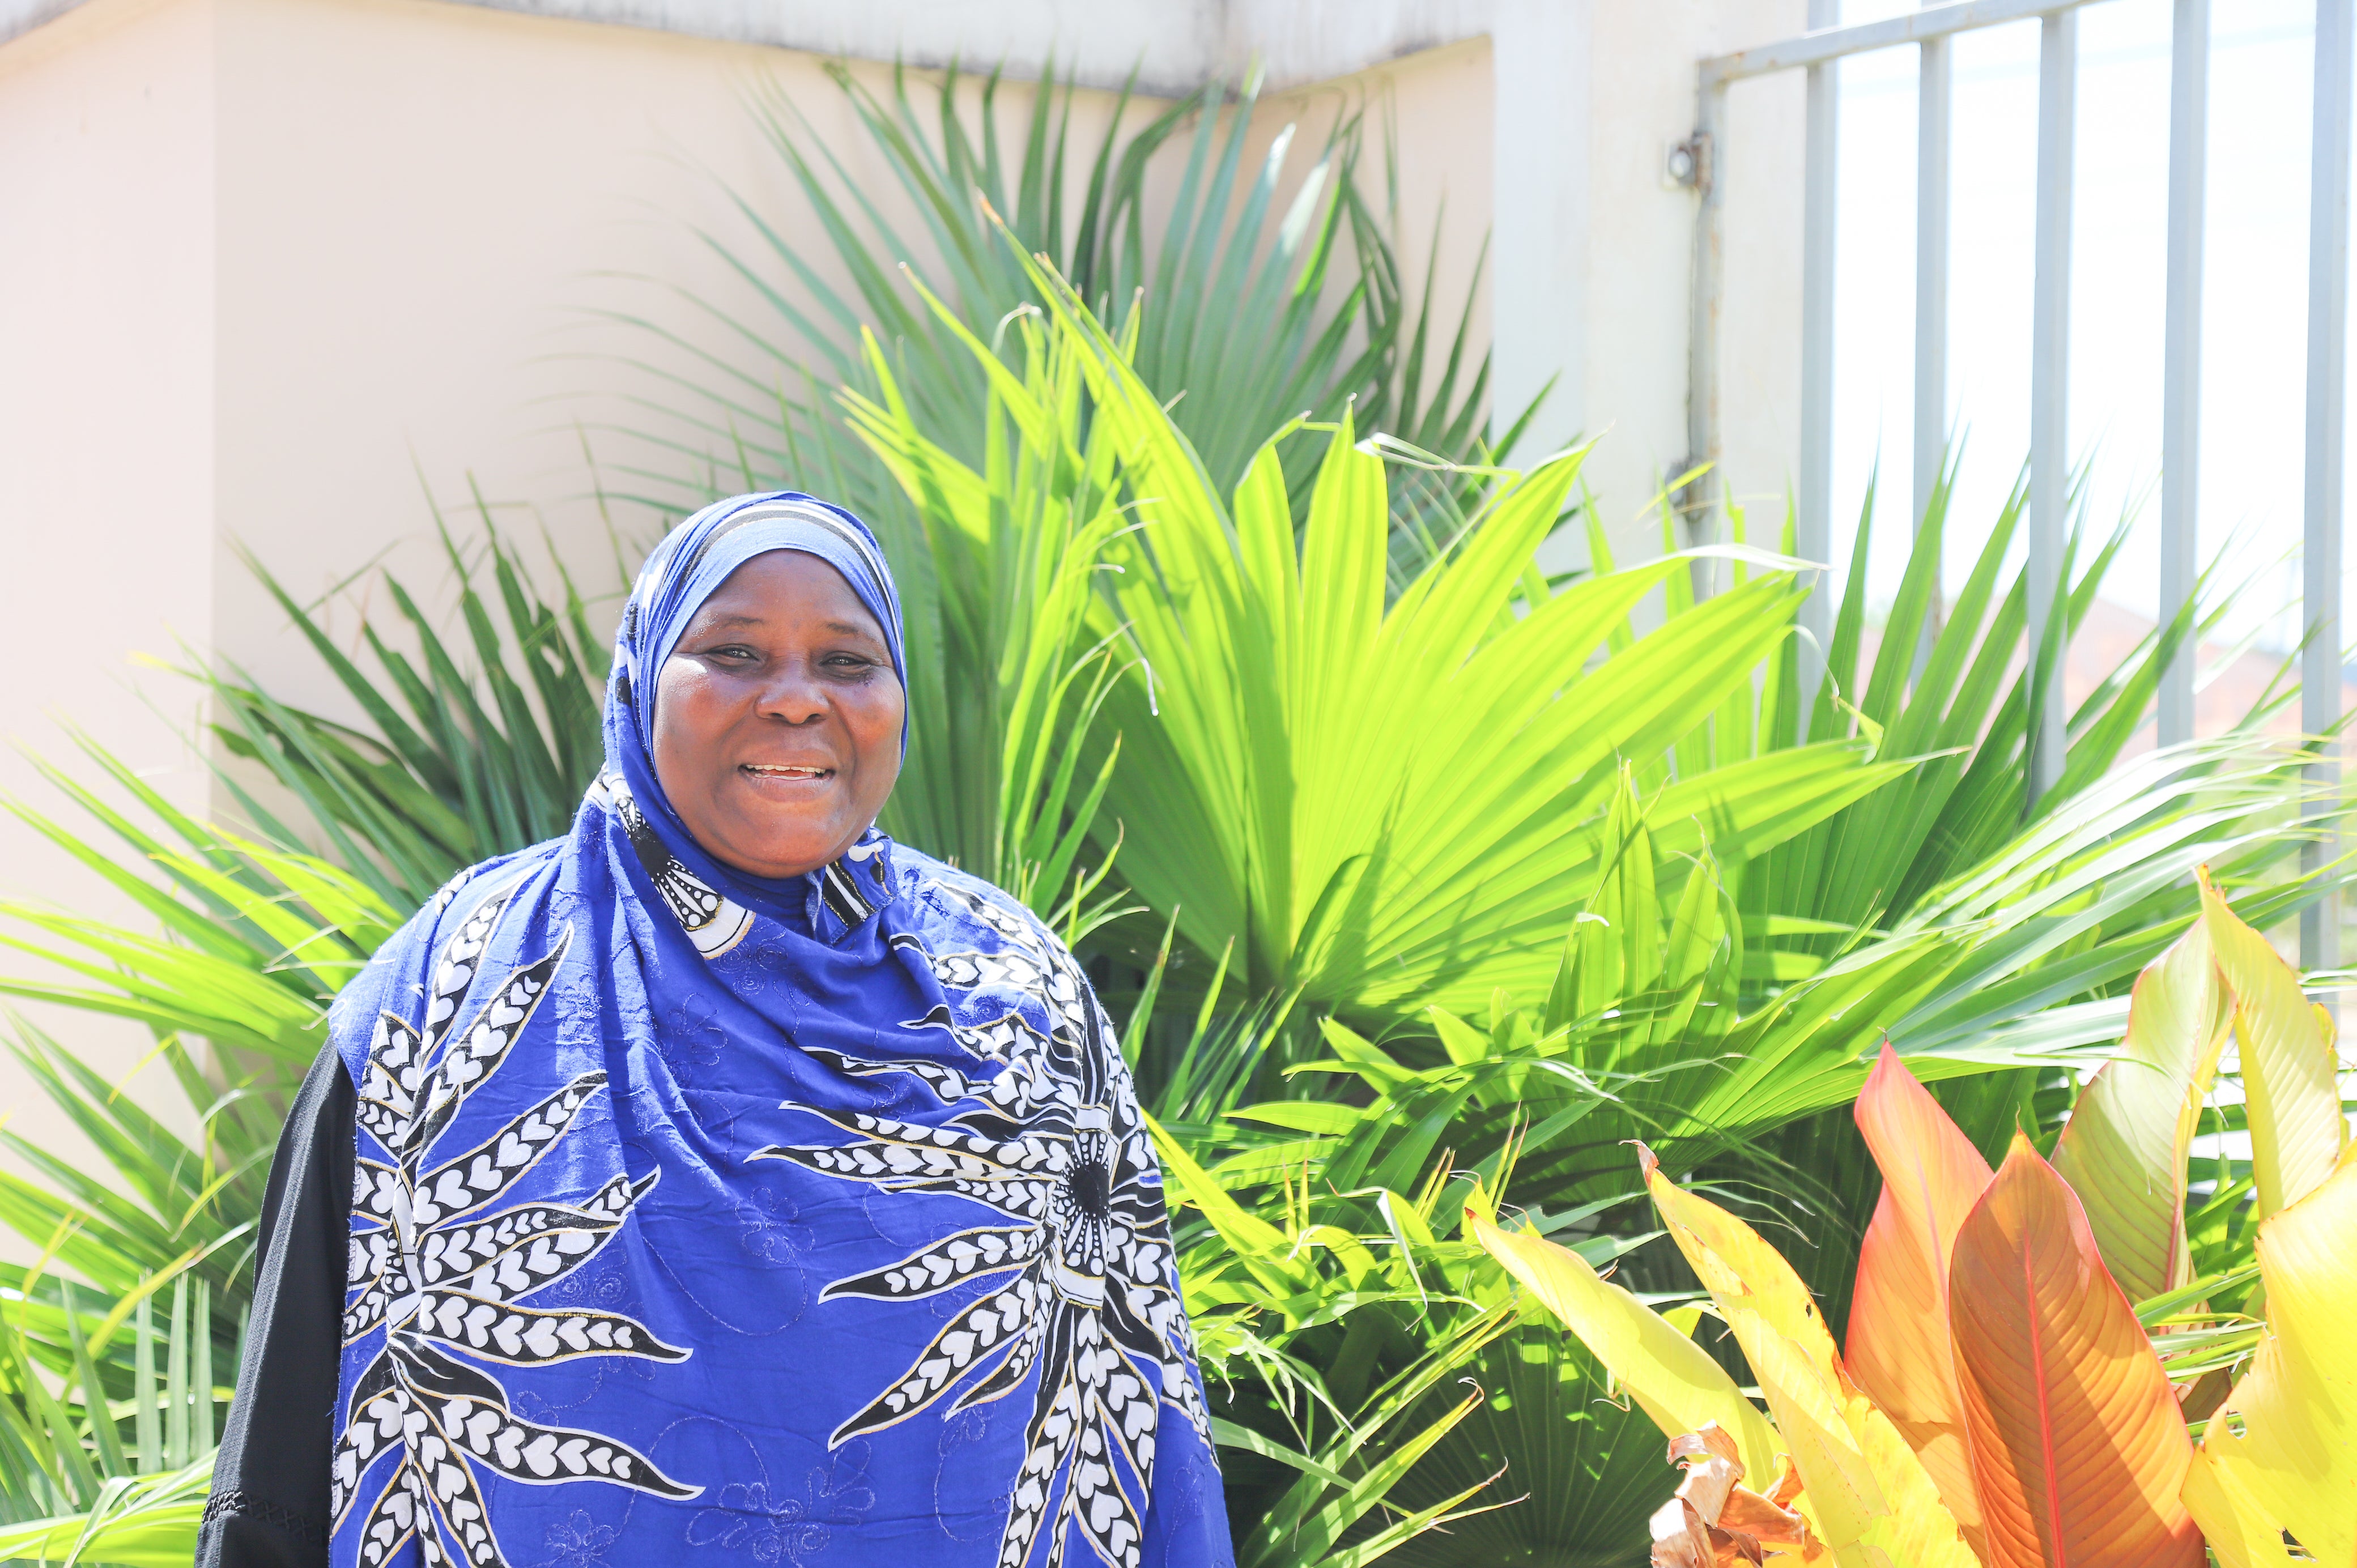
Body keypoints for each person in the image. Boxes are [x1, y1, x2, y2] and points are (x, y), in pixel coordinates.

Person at [196, 493, 1233, 1568]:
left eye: (846, 661)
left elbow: (1139, 1416)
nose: (796, 700)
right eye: (734, 650)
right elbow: (278, 1466)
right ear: (643, 676)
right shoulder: (447, 1000)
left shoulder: (1021, 1000)